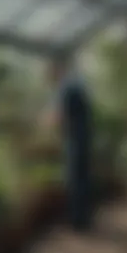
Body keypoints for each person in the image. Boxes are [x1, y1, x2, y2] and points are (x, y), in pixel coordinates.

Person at [43, 55, 93, 232]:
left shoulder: (65, 88)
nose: (49, 79)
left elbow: (59, 116)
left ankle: (77, 221)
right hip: (84, 137)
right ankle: (85, 218)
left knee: (75, 179)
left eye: (49, 74)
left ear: (56, 71)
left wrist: (46, 123)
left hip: (74, 139)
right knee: (83, 177)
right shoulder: (76, 84)